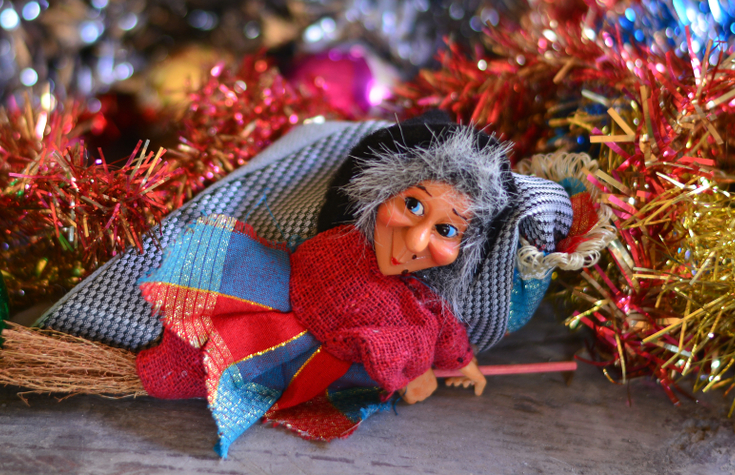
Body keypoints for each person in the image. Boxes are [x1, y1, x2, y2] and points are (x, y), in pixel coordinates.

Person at [137, 117, 521, 455]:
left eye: (446, 230)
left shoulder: (418, 290)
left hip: (326, 370)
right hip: (276, 343)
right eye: (413, 205)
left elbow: (439, 320)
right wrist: (410, 372)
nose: (417, 240)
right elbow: (354, 324)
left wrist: (462, 361)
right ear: (379, 196)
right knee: (193, 367)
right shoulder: (341, 250)